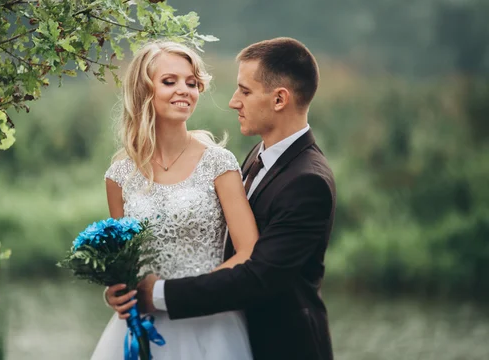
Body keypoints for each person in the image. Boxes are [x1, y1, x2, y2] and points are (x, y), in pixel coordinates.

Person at [109, 37, 336, 360]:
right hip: (173, 326)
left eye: (244, 91)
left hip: (280, 346)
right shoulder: (260, 154)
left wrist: (158, 294)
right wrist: (120, 292)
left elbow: (258, 275)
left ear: (279, 99)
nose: (233, 101)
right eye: (169, 81)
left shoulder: (307, 180)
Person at [91, 40, 259, 359]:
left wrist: (179, 295)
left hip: (210, 325)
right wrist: (114, 293)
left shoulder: (218, 163)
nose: (185, 89)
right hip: (143, 328)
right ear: (144, 90)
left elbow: (249, 252)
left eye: (192, 83)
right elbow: (124, 265)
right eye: (170, 81)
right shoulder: (119, 175)